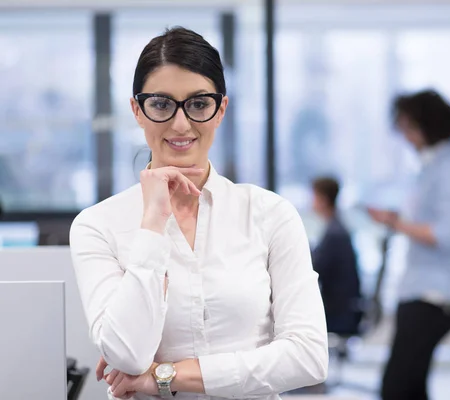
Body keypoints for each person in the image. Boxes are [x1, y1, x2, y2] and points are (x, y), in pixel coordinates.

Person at [70, 27, 328, 400]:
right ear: (137, 111)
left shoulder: (271, 214)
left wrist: (164, 374)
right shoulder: (98, 225)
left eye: (198, 103)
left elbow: (308, 357)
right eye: (161, 104)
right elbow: (126, 353)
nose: (180, 124)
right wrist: (153, 222)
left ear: (220, 110)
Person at [368, 90, 450, 400]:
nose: (405, 136)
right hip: (422, 290)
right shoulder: (434, 167)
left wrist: (395, 223)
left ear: (426, 126)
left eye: (408, 127)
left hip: (435, 296)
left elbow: (444, 234)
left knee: (396, 387)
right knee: (412, 386)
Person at [310, 177, 362, 336]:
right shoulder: (336, 228)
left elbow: (313, 269)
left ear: (323, 199)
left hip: (337, 313)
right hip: (341, 308)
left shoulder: (334, 234)